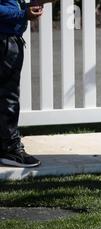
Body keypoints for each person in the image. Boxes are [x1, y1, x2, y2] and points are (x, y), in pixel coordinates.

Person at [0, 0, 55, 168]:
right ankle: (10, 150)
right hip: (4, 40)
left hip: (10, 38)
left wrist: (27, 8)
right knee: (8, 96)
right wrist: (23, 14)